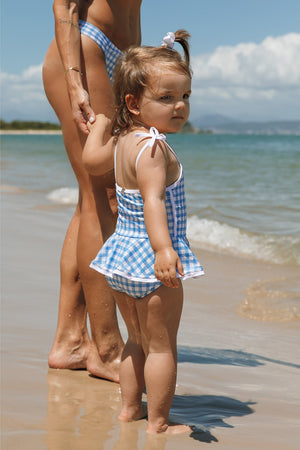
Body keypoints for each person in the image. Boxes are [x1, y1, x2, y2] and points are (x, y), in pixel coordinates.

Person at [82, 30, 204, 434]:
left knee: (136, 340)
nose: (180, 106)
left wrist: (100, 125)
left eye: (184, 96)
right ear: (134, 103)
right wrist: (164, 250)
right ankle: (158, 424)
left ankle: (129, 410)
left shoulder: (123, 141)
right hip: (151, 262)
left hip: (121, 258)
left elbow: (91, 161)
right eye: (166, 98)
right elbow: (154, 202)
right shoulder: (152, 148)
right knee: (162, 345)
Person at [42, 0, 142, 382]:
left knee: (91, 201)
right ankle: (107, 348)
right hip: (85, 51)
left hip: (120, 55)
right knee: (102, 199)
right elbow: (64, 4)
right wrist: (74, 81)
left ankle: (70, 341)